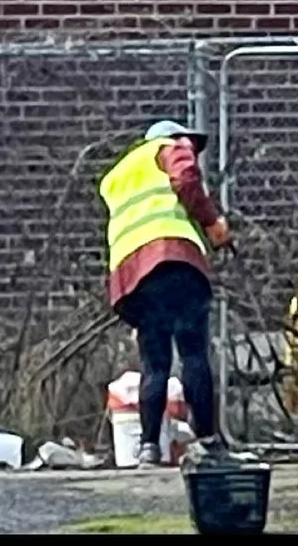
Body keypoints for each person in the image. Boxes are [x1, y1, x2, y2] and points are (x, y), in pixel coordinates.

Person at [99, 122, 232, 466]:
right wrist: (212, 223)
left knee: (154, 363)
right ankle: (208, 441)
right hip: (175, 261)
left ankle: (148, 448)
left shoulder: (117, 174)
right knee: (192, 353)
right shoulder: (171, 146)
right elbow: (186, 180)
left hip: (132, 276)